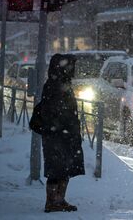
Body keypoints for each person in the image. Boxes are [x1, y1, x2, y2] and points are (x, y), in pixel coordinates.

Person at [39, 54, 85, 212]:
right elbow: (54, 110)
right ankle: (52, 202)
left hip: (64, 134)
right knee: (56, 168)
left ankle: (59, 200)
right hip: (57, 134)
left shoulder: (61, 83)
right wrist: (63, 126)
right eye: (70, 66)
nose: (73, 70)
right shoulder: (54, 85)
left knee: (64, 168)